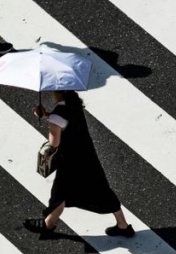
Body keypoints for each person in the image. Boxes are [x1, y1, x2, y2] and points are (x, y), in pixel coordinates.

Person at [24, 90, 134, 237]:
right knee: (102, 189)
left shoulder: (58, 114)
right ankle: (123, 225)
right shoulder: (74, 103)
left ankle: (47, 225)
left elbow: (54, 143)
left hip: (69, 162)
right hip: (86, 154)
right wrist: (47, 116)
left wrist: (50, 123)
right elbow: (65, 121)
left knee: (60, 194)